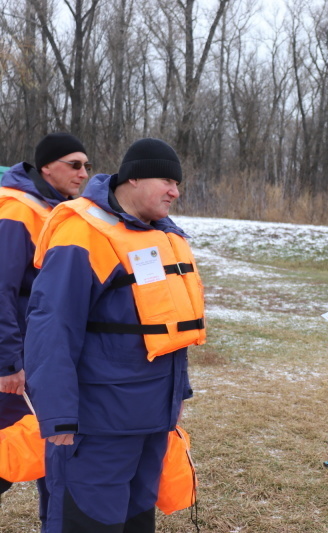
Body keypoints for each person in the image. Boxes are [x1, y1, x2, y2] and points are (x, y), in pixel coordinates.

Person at [24, 138, 204, 533]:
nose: (175, 191)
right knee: (87, 522)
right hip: (96, 426)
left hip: (151, 421)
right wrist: (57, 418)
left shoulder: (160, 235)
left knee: (136, 521)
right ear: (133, 178)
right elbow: (51, 328)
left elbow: (166, 334)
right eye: (167, 180)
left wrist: (175, 402)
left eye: (178, 183)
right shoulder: (84, 233)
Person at [0, 132, 89, 523]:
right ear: (46, 166)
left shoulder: (58, 211)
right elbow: (1, 289)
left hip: (44, 357)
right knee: (10, 451)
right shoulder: (18, 210)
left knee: (52, 450)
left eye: (87, 166)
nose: (84, 173)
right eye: (75, 164)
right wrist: (7, 363)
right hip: (18, 362)